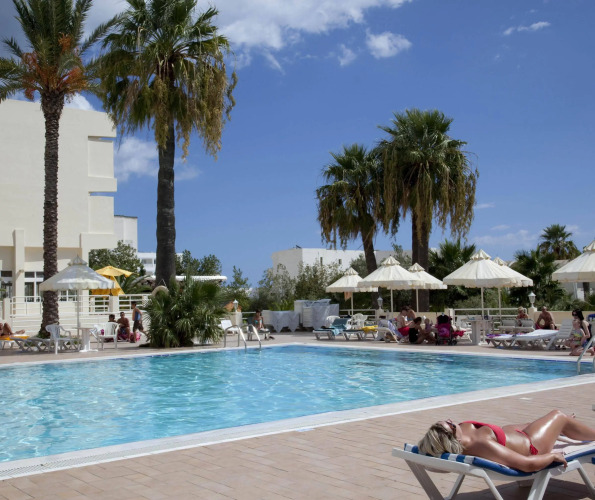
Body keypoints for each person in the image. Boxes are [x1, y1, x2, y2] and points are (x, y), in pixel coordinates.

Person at [417, 410, 595, 472]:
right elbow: (527, 465)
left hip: (522, 433)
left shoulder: (464, 433)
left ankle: (564, 427)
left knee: (556, 421)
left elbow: (502, 434)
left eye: (446, 421)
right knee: (559, 416)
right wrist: (552, 456)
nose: (451, 420)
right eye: (450, 424)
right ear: (453, 438)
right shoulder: (480, 444)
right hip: (533, 445)